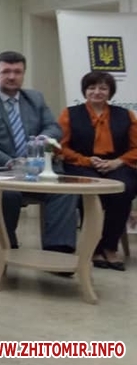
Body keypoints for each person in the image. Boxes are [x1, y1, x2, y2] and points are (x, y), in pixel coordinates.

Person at [0, 50, 77, 254]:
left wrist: (44, 139)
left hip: (36, 170)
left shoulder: (35, 98)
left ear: (23, 74)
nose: (12, 76)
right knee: (9, 195)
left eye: (17, 72)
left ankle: (58, 251)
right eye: (6, 71)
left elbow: (54, 127)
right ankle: (6, 246)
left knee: (65, 190)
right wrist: (10, 162)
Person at [58, 71, 137, 271]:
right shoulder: (69, 114)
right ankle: (94, 247)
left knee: (123, 189)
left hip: (116, 164)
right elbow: (61, 147)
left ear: (110, 92)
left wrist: (117, 162)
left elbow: (135, 147)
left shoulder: (126, 115)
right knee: (93, 191)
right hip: (81, 164)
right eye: (92, 87)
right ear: (85, 91)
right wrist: (86, 160)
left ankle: (110, 247)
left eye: (103, 88)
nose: (97, 92)